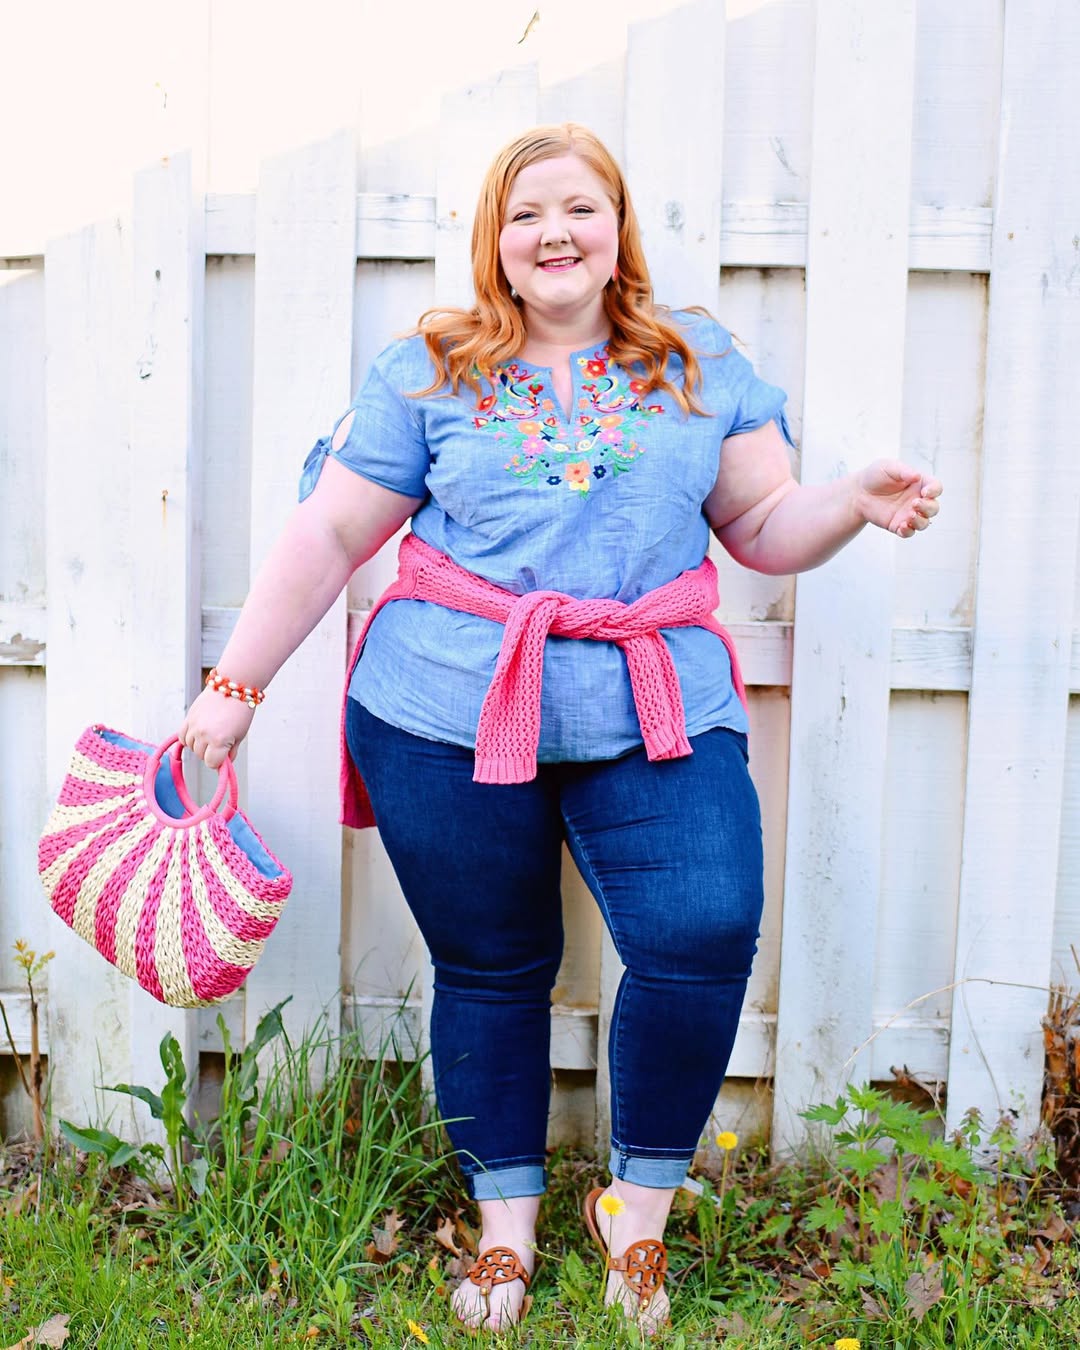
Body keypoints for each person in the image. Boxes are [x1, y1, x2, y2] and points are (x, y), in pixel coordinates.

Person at [179, 123, 941, 1334]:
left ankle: (634, 1219)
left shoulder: (696, 361)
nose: (555, 234)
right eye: (527, 214)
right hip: (443, 710)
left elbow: (765, 528)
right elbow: (330, 535)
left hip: (655, 705)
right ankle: (505, 1228)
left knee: (703, 927)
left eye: (581, 208)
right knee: (492, 965)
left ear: (618, 227)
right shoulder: (432, 369)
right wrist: (236, 689)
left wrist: (851, 502)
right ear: (495, 239)